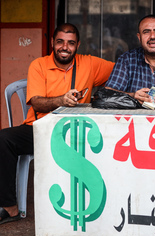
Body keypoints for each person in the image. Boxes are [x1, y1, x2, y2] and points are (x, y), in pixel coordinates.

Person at [0, 23, 114, 224]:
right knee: (4, 139)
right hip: (40, 129)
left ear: (78, 45)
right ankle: (10, 208)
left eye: (70, 43)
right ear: (52, 42)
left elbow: (121, 72)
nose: (64, 47)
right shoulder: (39, 65)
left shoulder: (90, 64)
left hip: (77, 132)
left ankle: (106, 206)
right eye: (60, 41)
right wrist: (61, 100)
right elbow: (36, 101)